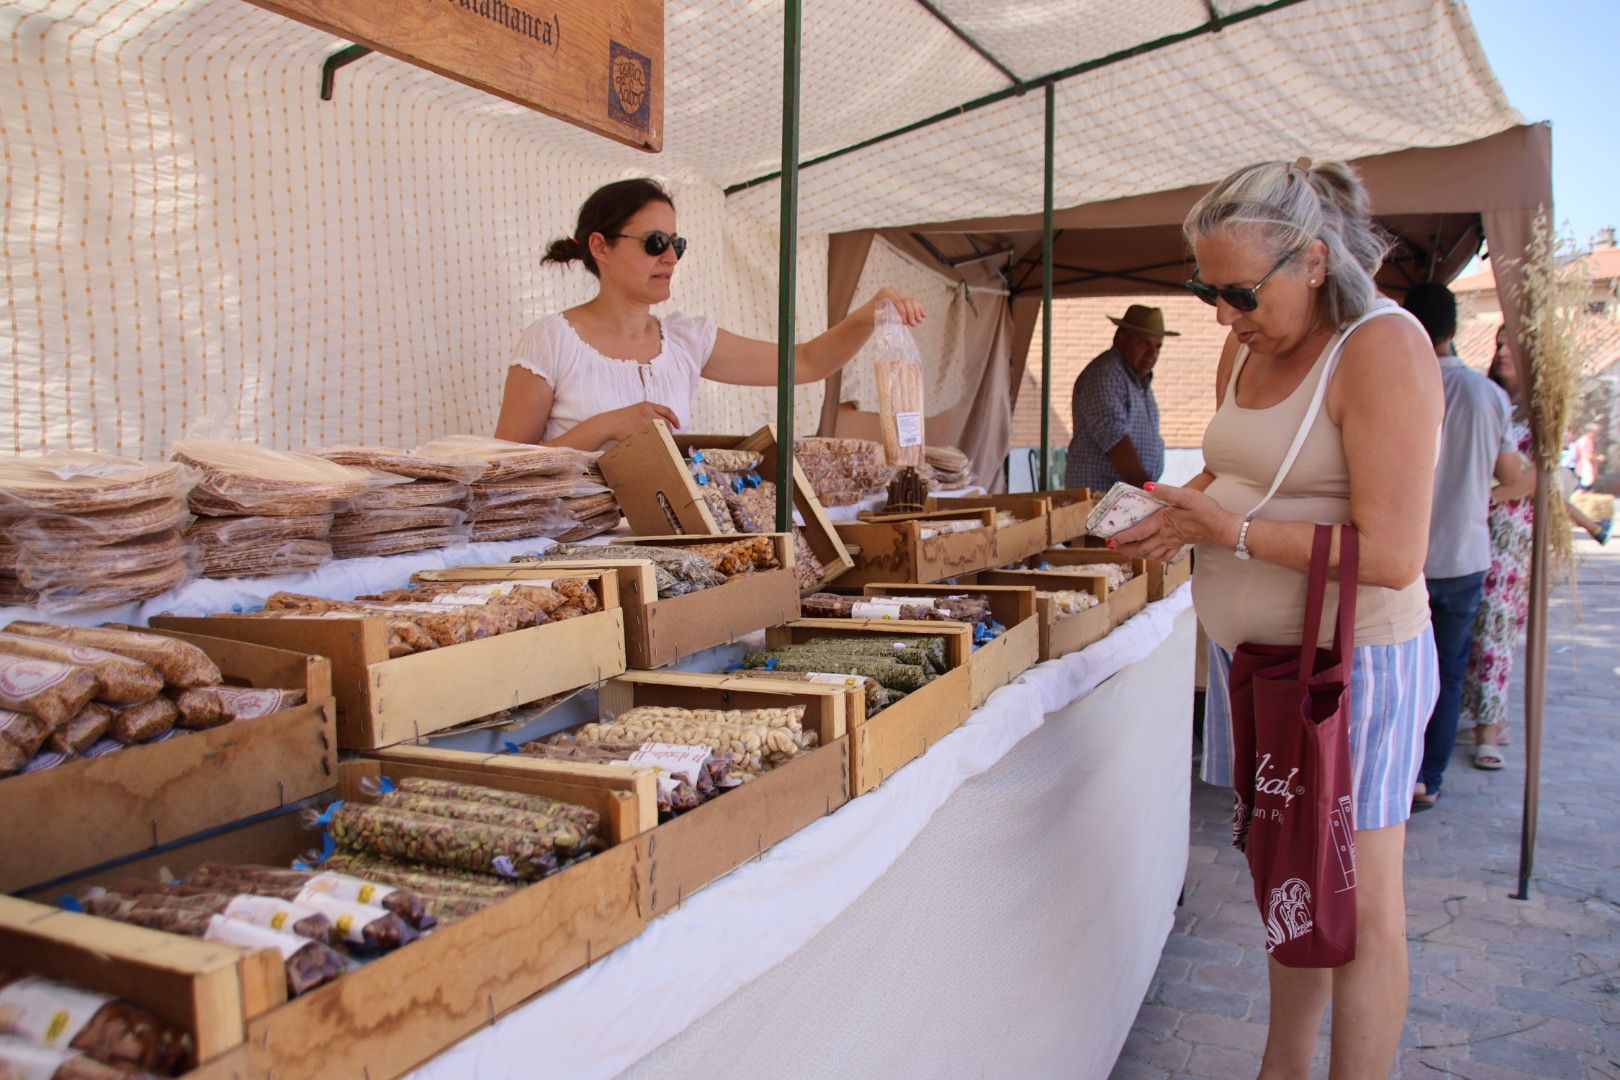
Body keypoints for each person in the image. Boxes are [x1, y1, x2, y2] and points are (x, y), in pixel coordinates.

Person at [1111, 159, 1442, 1079]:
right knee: (1292, 879)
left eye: (1236, 292)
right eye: (1205, 291)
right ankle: (1284, 1066)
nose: (1222, 314)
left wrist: (1232, 531)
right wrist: (1178, 511)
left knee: (1364, 904)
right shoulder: (1252, 343)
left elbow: (1393, 555)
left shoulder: (1383, 347)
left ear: (1313, 261)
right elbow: (1236, 467)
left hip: (1350, 669)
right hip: (1261, 662)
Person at [494, 178, 924, 449]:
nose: (670, 258)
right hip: (572, 553)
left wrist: (867, 316)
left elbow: (807, 362)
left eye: (676, 245)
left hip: (664, 545)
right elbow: (505, 471)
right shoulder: (551, 339)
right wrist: (606, 426)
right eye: (654, 242)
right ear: (600, 246)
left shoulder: (685, 339)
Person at [1400, 284, 1520, 809]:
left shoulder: (1399, 382)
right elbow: (1518, 478)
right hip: (1464, 556)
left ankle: (1395, 770)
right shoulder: (1487, 395)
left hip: (1404, 557)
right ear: (1454, 327)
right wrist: (1477, 495)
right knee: (1447, 674)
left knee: (1401, 674)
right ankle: (1429, 776)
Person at [1461, 325, 1537, 768]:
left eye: (1513, 344)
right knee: (1474, 624)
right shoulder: (1487, 395)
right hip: (1473, 523)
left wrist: (1494, 494)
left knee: (1495, 625)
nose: (1504, 351)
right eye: (1500, 343)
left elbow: (1539, 477)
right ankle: (1479, 716)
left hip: (1510, 532)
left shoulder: (1540, 410)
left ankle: (1489, 727)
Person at [1063, 304, 1176, 490]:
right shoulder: (1107, 373)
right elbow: (1114, 437)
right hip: (1102, 496)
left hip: (1125, 494)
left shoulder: (1137, 378)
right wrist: (1147, 490)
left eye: (1158, 346)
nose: (1152, 353)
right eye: (1144, 344)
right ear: (1121, 339)